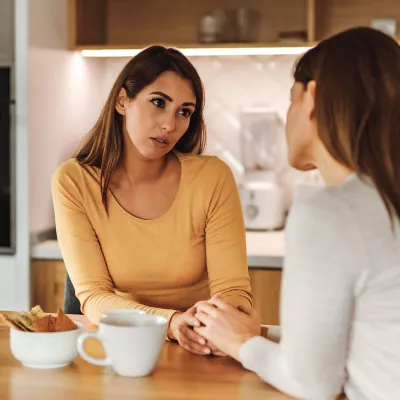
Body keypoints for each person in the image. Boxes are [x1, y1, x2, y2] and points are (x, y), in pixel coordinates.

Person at [193, 27, 400, 400]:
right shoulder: (383, 199)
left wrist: (241, 344)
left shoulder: (329, 212)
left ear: (312, 97)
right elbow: (365, 339)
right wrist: (264, 336)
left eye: (290, 99)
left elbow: (313, 383)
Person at [52, 45, 252, 356]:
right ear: (122, 100)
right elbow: (93, 296)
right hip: (118, 347)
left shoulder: (212, 177)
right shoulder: (74, 181)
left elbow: (234, 291)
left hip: (199, 347)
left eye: (184, 111)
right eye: (158, 103)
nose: (170, 125)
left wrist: (216, 326)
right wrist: (171, 323)